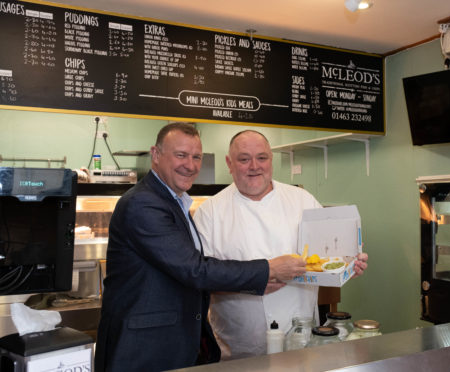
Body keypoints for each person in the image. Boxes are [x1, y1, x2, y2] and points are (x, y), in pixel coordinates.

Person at [94, 123, 307, 372]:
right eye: (181, 155)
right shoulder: (143, 204)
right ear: (156, 154)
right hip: (144, 348)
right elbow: (196, 270)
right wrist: (268, 269)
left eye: (196, 157)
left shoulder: (174, 202)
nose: (191, 165)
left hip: (171, 344)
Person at [193, 130, 368, 359]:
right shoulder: (210, 212)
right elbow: (199, 278)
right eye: (244, 159)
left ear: (271, 160)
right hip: (238, 347)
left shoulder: (302, 200)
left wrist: (347, 265)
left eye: (262, 158)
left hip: (301, 341)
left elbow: (328, 258)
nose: (254, 166)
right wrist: (252, 281)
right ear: (229, 163)